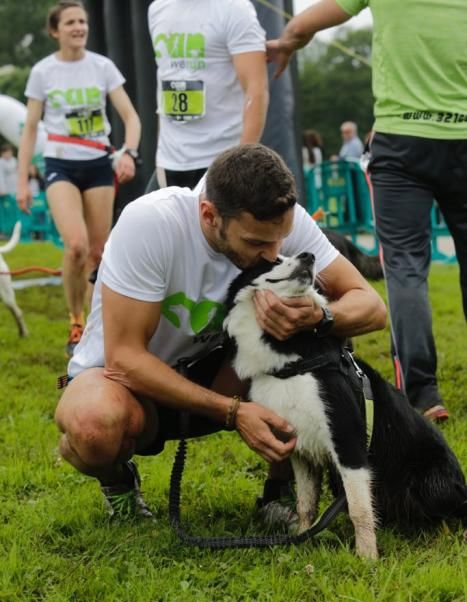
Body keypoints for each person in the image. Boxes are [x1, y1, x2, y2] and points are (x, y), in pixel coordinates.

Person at [55, 143, 386, 520]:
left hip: (223, 374)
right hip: (128, 384)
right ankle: (118, 481)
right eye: (257, 242)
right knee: (92, 427)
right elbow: (124, 359)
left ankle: (279, 492)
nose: (274, 252)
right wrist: (232, 412)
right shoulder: (151, 222)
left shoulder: (277, 223)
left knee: (310, 336)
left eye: (281, 238)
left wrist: (319, 317)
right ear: (210, 215)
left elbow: (371, 307)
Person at [266, 0, 467, 421]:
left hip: (401, 143)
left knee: (405, 269)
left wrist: (288, 40)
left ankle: (423, 395)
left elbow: (310, 20)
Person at [16, 0, 141, 357]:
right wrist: (23, 180)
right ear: (55, 31)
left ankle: (95, 328)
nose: (79, 28)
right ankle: (75, 318)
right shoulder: (43, 71)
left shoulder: (102, 67)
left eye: (82, 22)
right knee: (75, 245)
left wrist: (128, 152)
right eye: (70, 22)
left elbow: (131, 117)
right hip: (60, 164)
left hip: (99, 163)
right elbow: (28, 130)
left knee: (99, 253)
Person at [146, 0, 269, 190]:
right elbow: (165, 80)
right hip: (169, 162)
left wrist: (242, 162)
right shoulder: (157, 9)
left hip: (222, 161)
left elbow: (256, 89)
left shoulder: (235, 9)